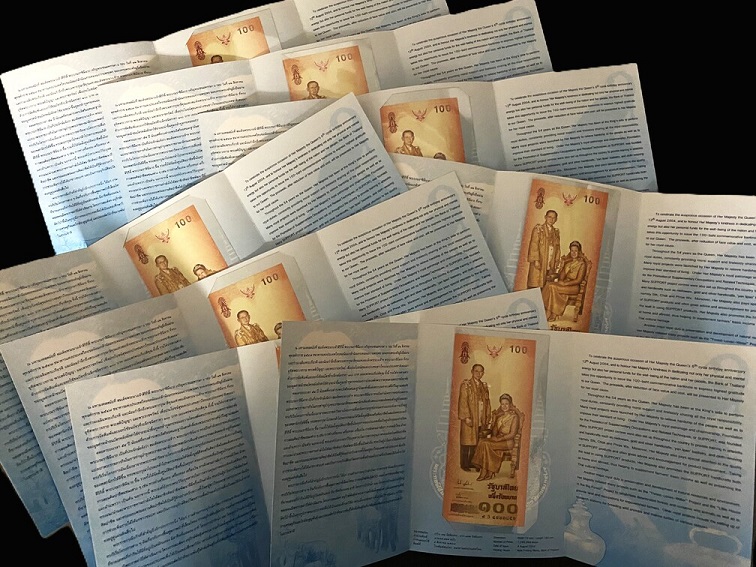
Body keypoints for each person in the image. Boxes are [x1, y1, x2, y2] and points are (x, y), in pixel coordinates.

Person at [471, 393, 521, 481]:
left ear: (510, 404)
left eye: (506, 404)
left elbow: (512, 434)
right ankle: (489, 471)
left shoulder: (514, 417)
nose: (504, 406)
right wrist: (494, 425)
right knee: (483, 441)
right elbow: (494, 431)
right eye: (502, 404)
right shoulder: (500, 417)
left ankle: (484, 471)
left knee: (486, 444)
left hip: (507, 442)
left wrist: (498, 439)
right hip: (498, 440)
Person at [542, 240, 588, 322]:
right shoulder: (568, 263)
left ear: (579, 252)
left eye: (575, 251)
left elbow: (578, 280)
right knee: (549, 285)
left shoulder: (582, 264)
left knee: (552, 287)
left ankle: (550, 312)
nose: (573, 253)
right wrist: (565, 268)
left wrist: (565, 284)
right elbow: (561, 277)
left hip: (574, 287)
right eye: (572, 251)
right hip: (564, 284)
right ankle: (550, 311)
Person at [457, 363, 491, 471]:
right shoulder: (466, 385)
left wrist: (487, 417)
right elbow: (463, 401)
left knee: (477, 441)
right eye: (476, 371)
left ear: (483, 373)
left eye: (481, 371)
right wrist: (466, 417)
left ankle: (472, 462)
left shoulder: (484, 386)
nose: (478, 373)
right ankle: (464, 464)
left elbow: (487, 403)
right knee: (467, 441)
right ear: (472, 372)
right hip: (470, 416)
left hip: (480, 417)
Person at [526, 209, 561, 289]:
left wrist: (556, 260)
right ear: (545, 217)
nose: (551, 220)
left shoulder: (556, 232)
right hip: (540, 259)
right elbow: (534, 244)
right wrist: (536, 260)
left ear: (556, 219)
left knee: (547, 283)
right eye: (549, 217)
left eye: (554, 218)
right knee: (536, 281)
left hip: (550, 260)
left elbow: (558, 248)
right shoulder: (539, 229)